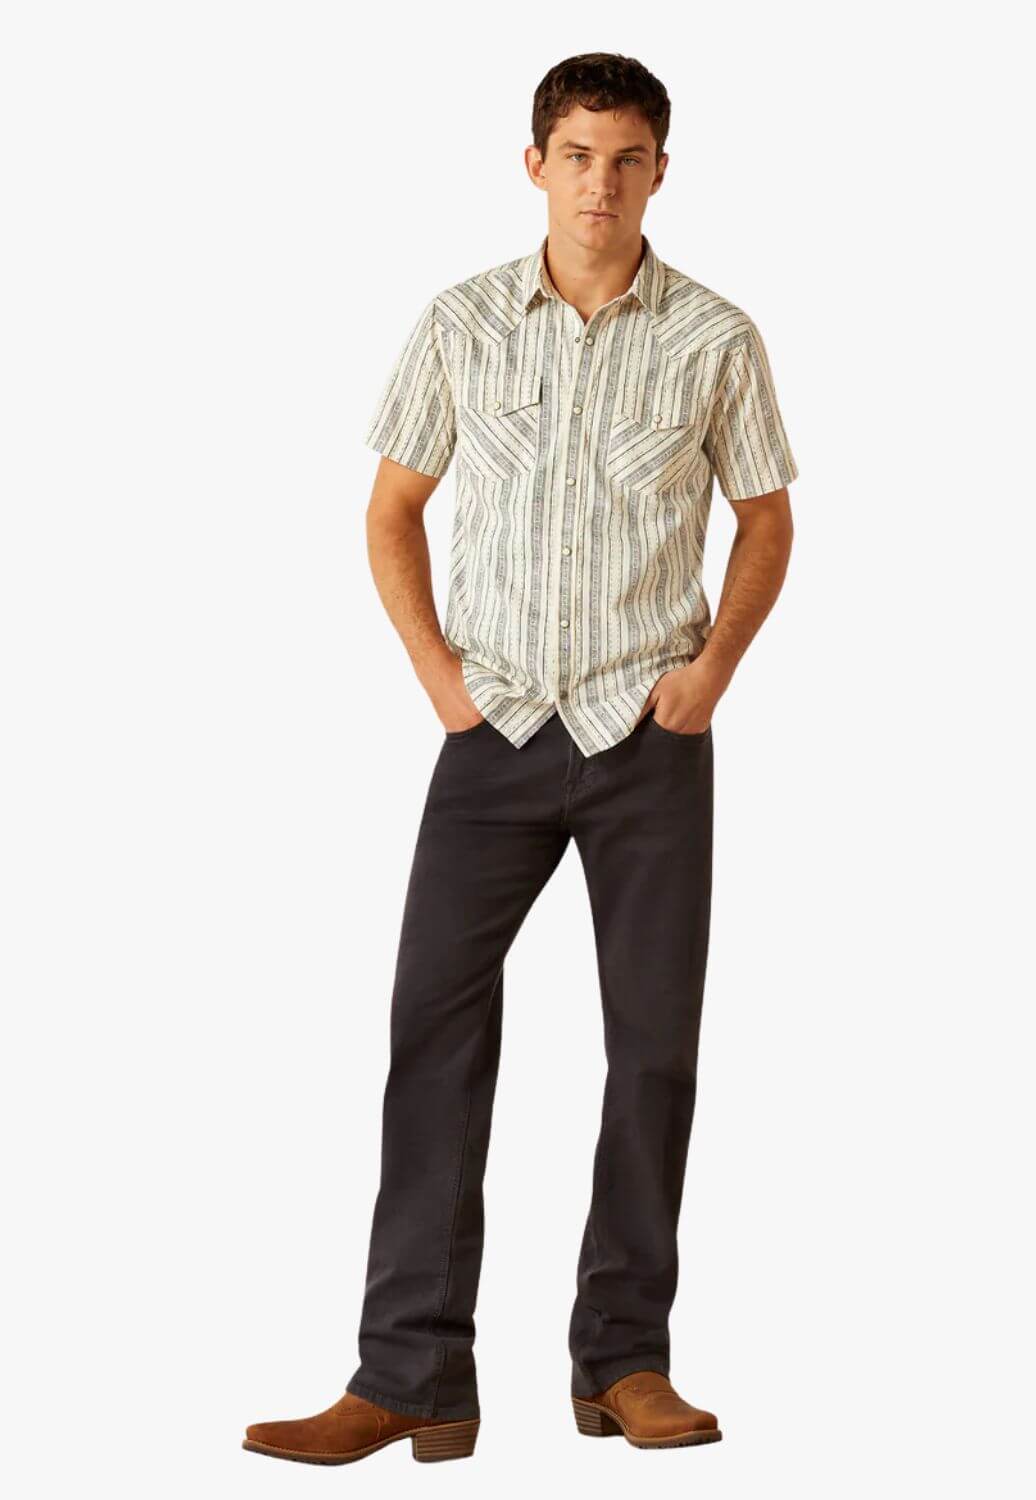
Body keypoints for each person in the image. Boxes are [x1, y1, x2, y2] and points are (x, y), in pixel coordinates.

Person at [243, 50, 797, 1467]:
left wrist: (710, 678)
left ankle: (625, 1363)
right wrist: (442, 682)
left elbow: (767, 520)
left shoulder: (716, 337)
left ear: (661, 171)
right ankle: (412, 1374)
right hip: (490, 731)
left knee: (653, 1049)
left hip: (647, 737)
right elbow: (391, 510)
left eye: (627, 157)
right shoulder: (462, 322)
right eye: (577, 155)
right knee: (432, 1033)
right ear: (535, 164)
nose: (600, 183)